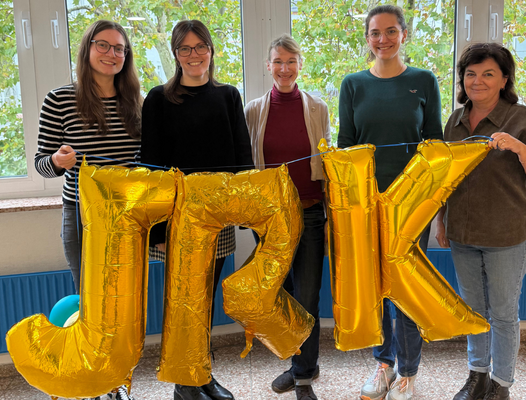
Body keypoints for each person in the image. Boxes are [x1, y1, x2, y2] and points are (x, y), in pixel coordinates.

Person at [435, 43, 526, 400]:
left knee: (503, 313)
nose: (478, 81)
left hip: (508, 234)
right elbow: (446, 177)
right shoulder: (455, 121)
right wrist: (441, 221)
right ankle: (477, 376)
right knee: (473, 311)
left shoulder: (522, 119)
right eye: (470, 74)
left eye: (488, 74)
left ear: (504, 79)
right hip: (463, 232)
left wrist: (520, 148)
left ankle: (501, 384)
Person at [138, 19, 252, 400]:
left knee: (204, 302)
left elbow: (242, 159)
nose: (194, 55)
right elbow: (151, 170)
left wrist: (245, 212)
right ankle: (183, 383)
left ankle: (201, 374)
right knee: (183, 304)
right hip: (175, 224)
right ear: (176, 54)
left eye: (200, 46)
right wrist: (158, 232)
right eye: (185, 48)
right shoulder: (158, 99)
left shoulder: (228, 96)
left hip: (218, 220)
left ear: (211, 50)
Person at [337, 5, 443, 400]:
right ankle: (383, 364)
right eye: (375, 33)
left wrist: (433, 204)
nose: (383, 39)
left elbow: (434, 146)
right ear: (367, 38)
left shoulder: (424, 81)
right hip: (366, 206)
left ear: (404, 34)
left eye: (391, 31)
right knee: (376, 290)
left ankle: (408, 371)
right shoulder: (352, 84)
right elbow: (347, 147)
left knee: (408, 289)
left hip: (412, 206)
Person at [34, 20, 141, 400]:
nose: (112, 54)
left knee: (124, 307)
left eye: (119, 48)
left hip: (127, 219)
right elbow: (41, 163)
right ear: (87, 49)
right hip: (81, 217)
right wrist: (58, 161)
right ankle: (97, 384)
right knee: (92, 304)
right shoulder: (59, 99)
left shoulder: (135, 102)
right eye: (103, 45)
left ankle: (117, 381)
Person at [244, 34, 331, 400]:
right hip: (270, 219)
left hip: (309, 213)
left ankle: (304, 376)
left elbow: (327, 161)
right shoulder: (253, 110)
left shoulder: (318, 108)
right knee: (283, 295)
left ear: (300, 65)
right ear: (269, 66)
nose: (284, 68)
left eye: (290, 61)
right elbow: (247, 164)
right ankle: (298, 363)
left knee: (307, 296)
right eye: (278, 61)